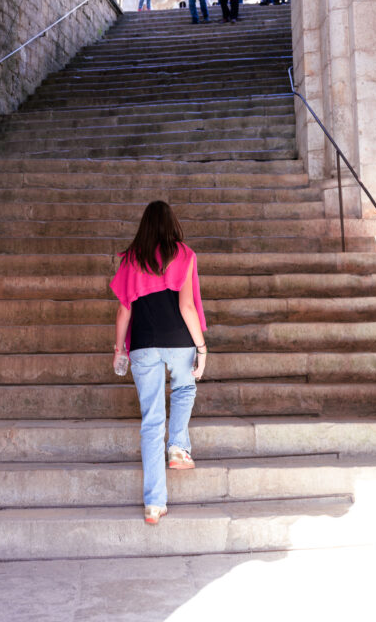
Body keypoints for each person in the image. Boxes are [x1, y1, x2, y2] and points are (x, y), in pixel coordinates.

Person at [110, 201, 208, 525]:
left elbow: (124, 309)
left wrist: (118, 349)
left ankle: (154, 504)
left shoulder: (131, 259)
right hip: (179, 340)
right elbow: (188, 307)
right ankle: (178, 447)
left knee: (151, 421)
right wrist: (202, 347)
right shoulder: (185, 255)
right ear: (172, 225)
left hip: (142, 345)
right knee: (184, 389)